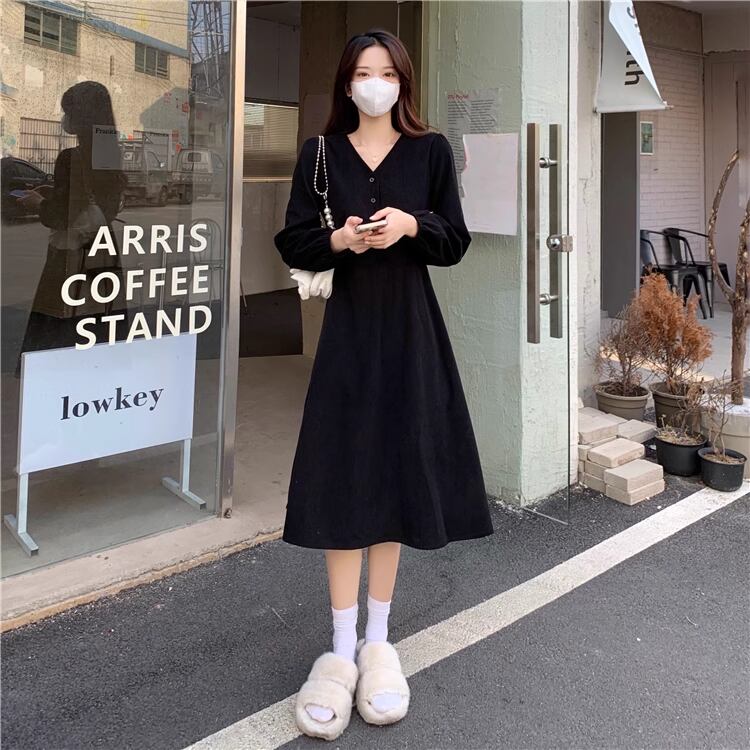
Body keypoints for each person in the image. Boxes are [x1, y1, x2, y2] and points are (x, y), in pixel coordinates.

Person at [273, 29, 494, 740]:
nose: (376, 84)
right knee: (345, 476)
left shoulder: (430, 152)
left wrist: (410, 225)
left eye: (388, 73)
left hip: (409, 331)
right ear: (347, 83)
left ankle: (377, 641)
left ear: (404, 81)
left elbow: (454, 240)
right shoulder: (320, 153)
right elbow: (293, 238)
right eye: (364, 73)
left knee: (395, 475)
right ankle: (339, 653)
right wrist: (341, 239)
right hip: (347, 335)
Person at [16, 80, 126, 369]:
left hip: (72, 254)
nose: (65, 118)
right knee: (101, 315)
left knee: (60, 320)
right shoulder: (110, 153)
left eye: (68, 111)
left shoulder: (70, 158)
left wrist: (38, 203)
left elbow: (61, 215)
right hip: (102, 248)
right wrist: (53, 193)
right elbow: (98, 201)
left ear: (81, 115)